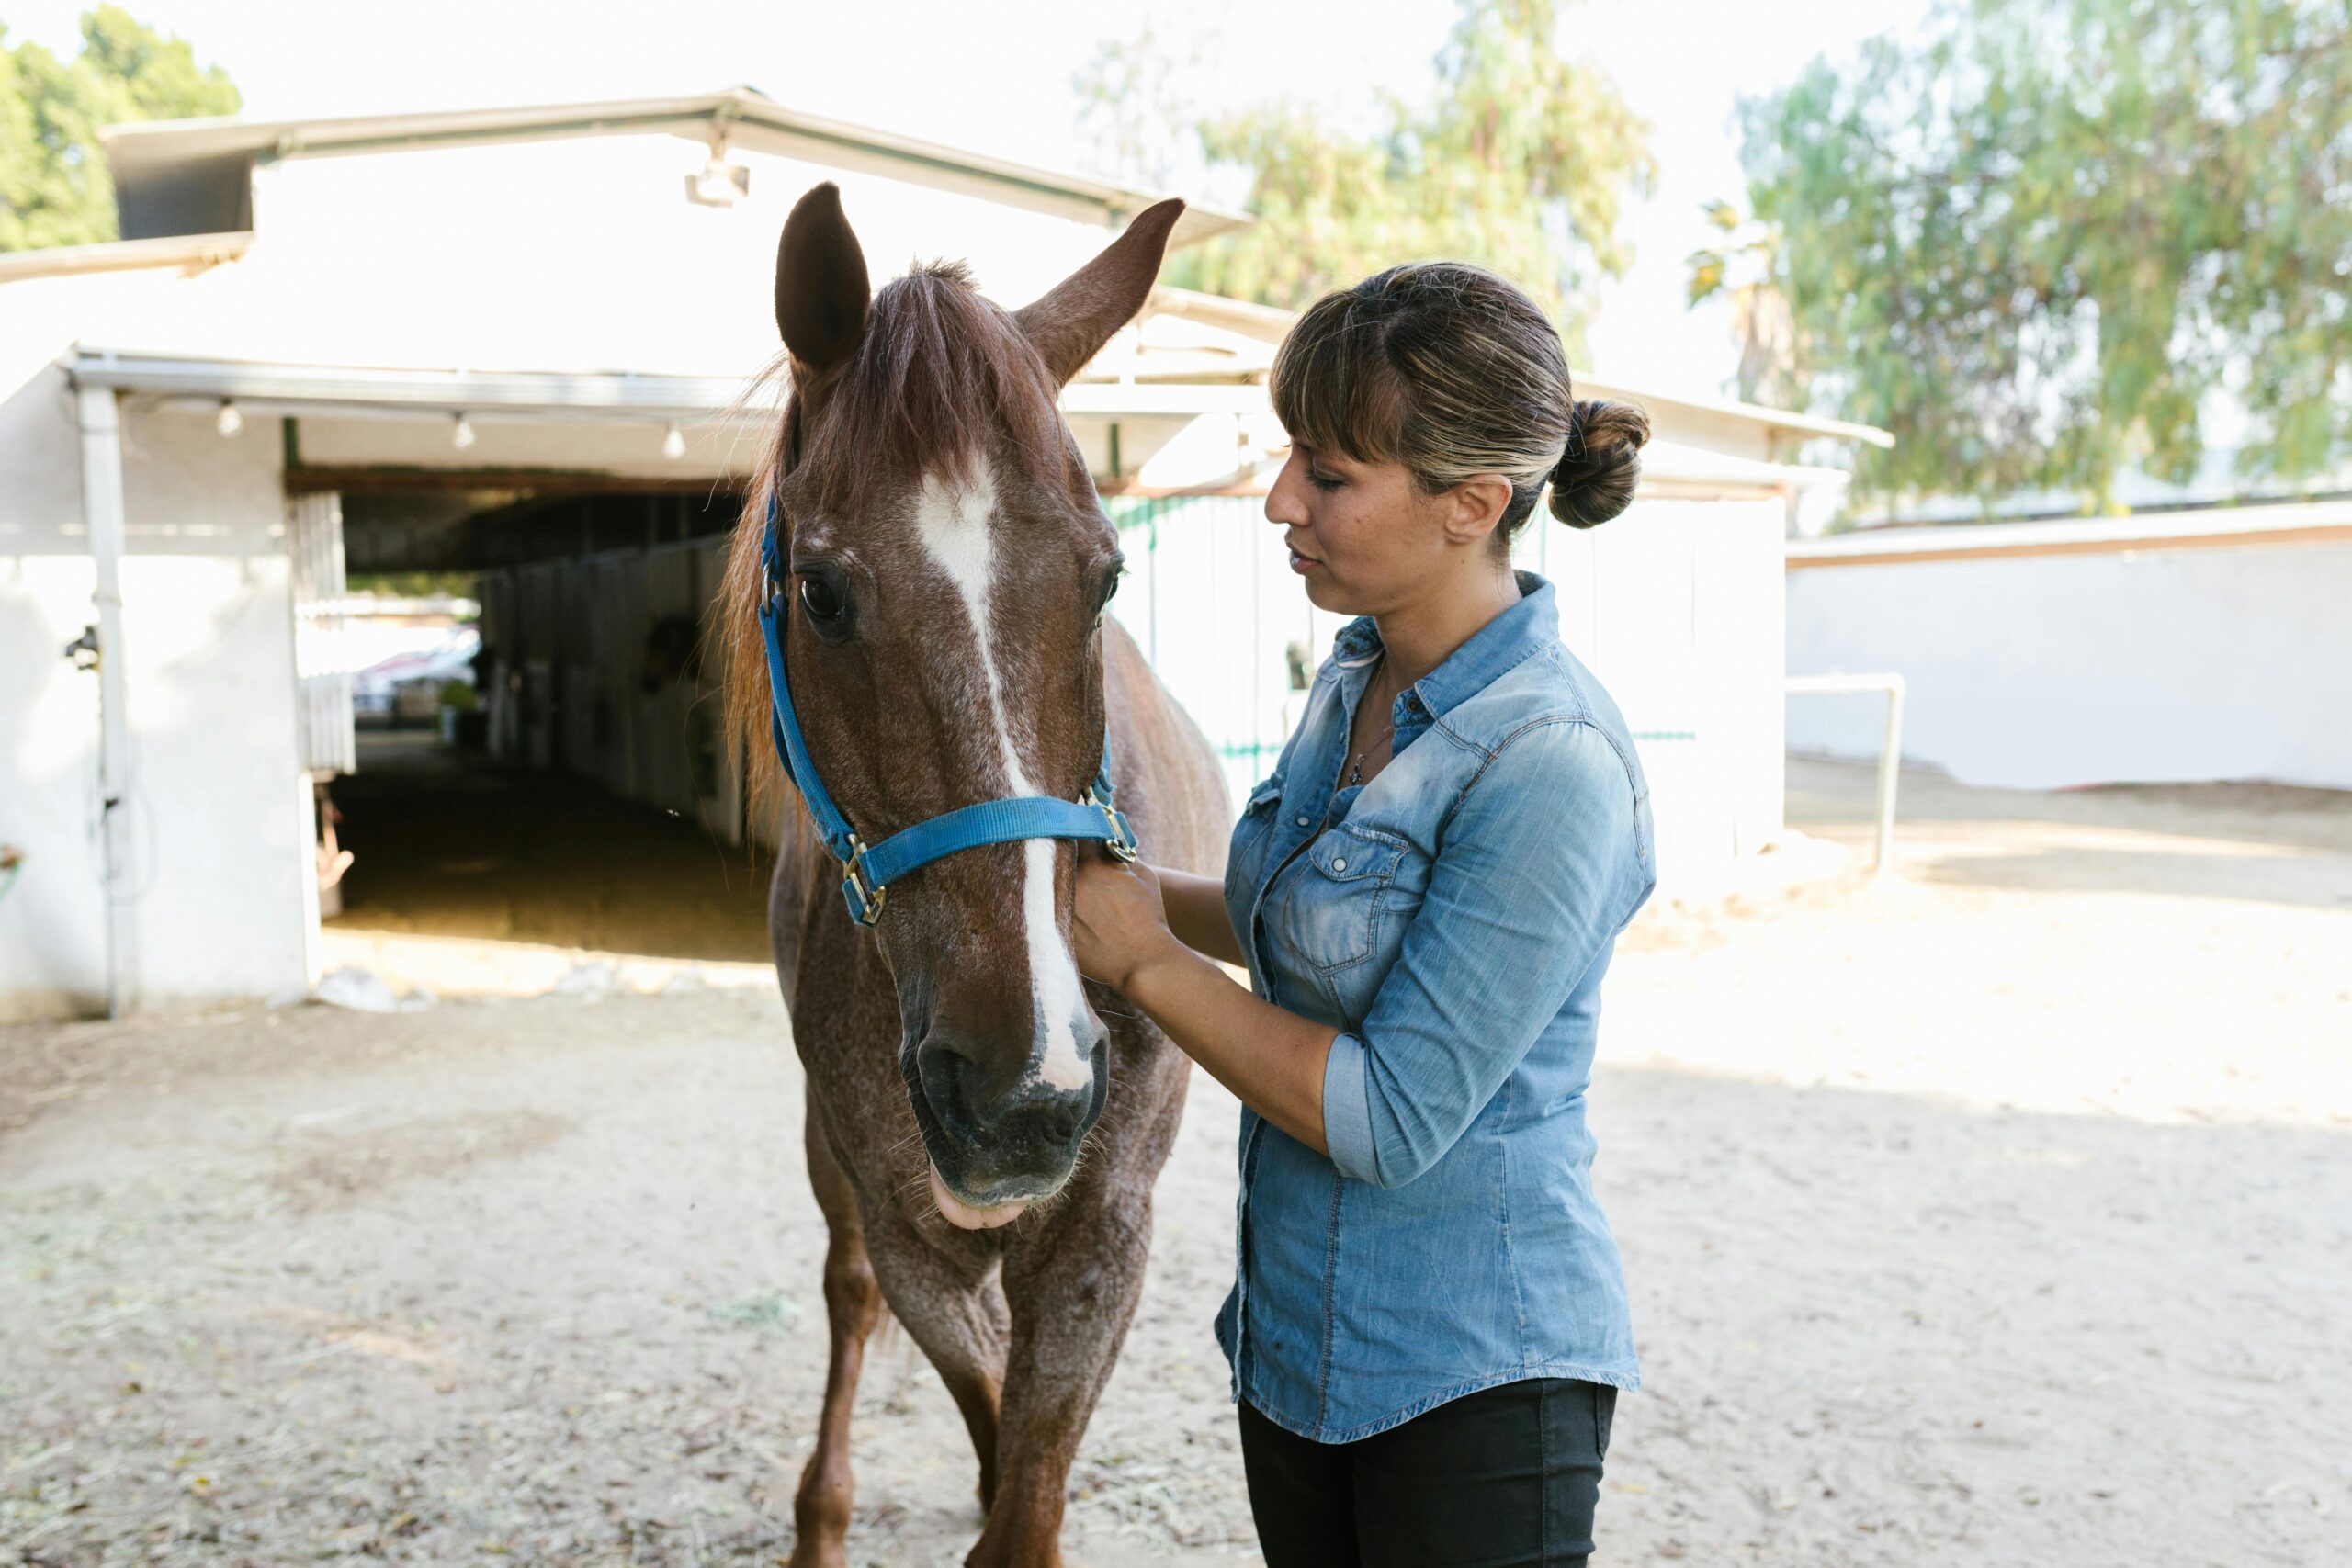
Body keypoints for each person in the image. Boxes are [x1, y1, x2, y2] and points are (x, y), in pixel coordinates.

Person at [1071, 261, 1657, 1568]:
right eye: (1292, 459)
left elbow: (1391, 1116)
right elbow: (1302, 920)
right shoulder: (1360, 674)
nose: (1283, 501)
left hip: (1474, 1384)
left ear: (1472, 505)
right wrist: (1098, 890)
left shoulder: (1549, 763)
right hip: (1302, 1350)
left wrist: (1150, 967)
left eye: (1328, 477)